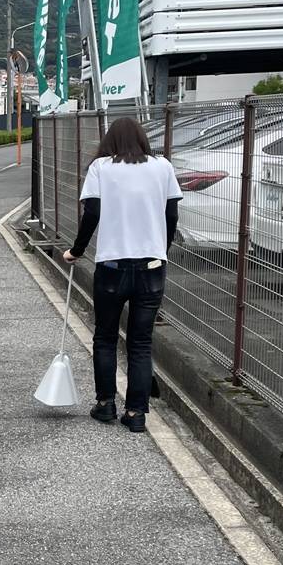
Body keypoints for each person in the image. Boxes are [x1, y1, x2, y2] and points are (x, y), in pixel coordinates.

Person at [63, 117, 183, 433]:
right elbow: (172, 215)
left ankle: (105, 406)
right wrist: (161, 248)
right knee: (141, 342)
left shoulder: (102, 167)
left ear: (110, 141)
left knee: (105, 337)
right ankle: (136, 414)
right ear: (142, 139)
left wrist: (76, 251)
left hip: (112, 268)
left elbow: (92, 213)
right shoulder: (162, 166)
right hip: (152, 266)